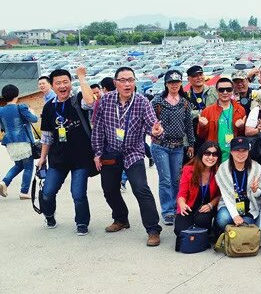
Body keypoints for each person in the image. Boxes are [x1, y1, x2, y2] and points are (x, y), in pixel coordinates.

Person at [91, 66, 164, 246]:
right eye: (123, 80)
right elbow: (98, 128)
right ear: (115, 82)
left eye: (130, 80)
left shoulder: (142, 102)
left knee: (141, 189)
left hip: (133, 152)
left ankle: (153, 229)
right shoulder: (105, 100)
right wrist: (97, 153)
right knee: (109, 189)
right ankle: (121, 218)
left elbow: (151, 124)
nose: (127, 84)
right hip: (110, 152)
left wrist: (156, 131)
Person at [38, 68, 95, 234]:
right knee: (48, 192)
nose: (62, 86)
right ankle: (49, 215)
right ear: (52, 86)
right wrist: (42, 157)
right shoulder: (49, 107)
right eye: (58, 83)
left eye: (65, 82)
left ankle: (82, 222)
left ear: (70, 82)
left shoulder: (78, 99)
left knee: (78, 194)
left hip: (81, 157)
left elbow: (90, 102)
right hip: (58, 158)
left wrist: (82, 77)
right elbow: (47, 136)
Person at [150, 70, 196, 226]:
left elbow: (189, 125)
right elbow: (149, 121)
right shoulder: (157, 101)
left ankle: (178, 206)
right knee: (165, 180)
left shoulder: (185, 102)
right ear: (166, 84)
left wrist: (191, 144)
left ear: (181, 83)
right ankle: (167, 211)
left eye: (177, 82)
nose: (174, 85)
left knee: (177, 179)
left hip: (178, 146)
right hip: (160, 145)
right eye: (171, 82)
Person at [174, 141, 221, 251]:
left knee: (202, 221)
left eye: (214, 154)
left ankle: (210, 231)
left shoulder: (219, 171)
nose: (211, 157)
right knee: (180, 230)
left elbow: (220, 195)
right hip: (189, 206)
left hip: (207, 207)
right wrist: (182, 204)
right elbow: (182, 193)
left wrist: (210, 205)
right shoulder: (189, 169)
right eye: (207, 153)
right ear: (201, 154)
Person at [215, 137, 261, 229]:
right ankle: (224, 234)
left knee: (245, 227)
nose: (241, 154)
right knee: (223, 219)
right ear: (231, 151)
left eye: (244, 150)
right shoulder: (223, 169)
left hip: (249, 207)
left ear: (248, 151)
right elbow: (225, 195)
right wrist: (235, 215)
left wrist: (255, 190)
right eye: (237, 150)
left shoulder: (257, 168)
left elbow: (259, 195)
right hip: (229, 204)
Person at [0, 84, 39, 200]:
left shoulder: (1, 110)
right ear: (17, 95)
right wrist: (31, 112)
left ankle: (4, 182)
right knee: (28, 167)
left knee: (18, 165)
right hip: (23, 141)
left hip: (10, 142)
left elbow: (2, 127)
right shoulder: (21, 107)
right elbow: (34, 119)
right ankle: (24, 192)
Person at [196, 77, 246, 162]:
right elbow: (201, 135)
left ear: (233, 91)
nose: (225, 92)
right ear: (217, 91)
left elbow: (243, 135)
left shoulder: (240, 110)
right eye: (221, 90)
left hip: (234, 154)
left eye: (228, 89)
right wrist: (202, 126)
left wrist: (241, 127)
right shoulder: (207, 111)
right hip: (214, 155)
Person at [185, 65, 217, 152]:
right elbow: (185, 115)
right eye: (195, 76)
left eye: (200, 74)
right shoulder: (185, 96)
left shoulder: (214, 91)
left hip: (212, 133)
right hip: (194, 136)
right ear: (188, 79)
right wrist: (204, 112)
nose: (199, 78)